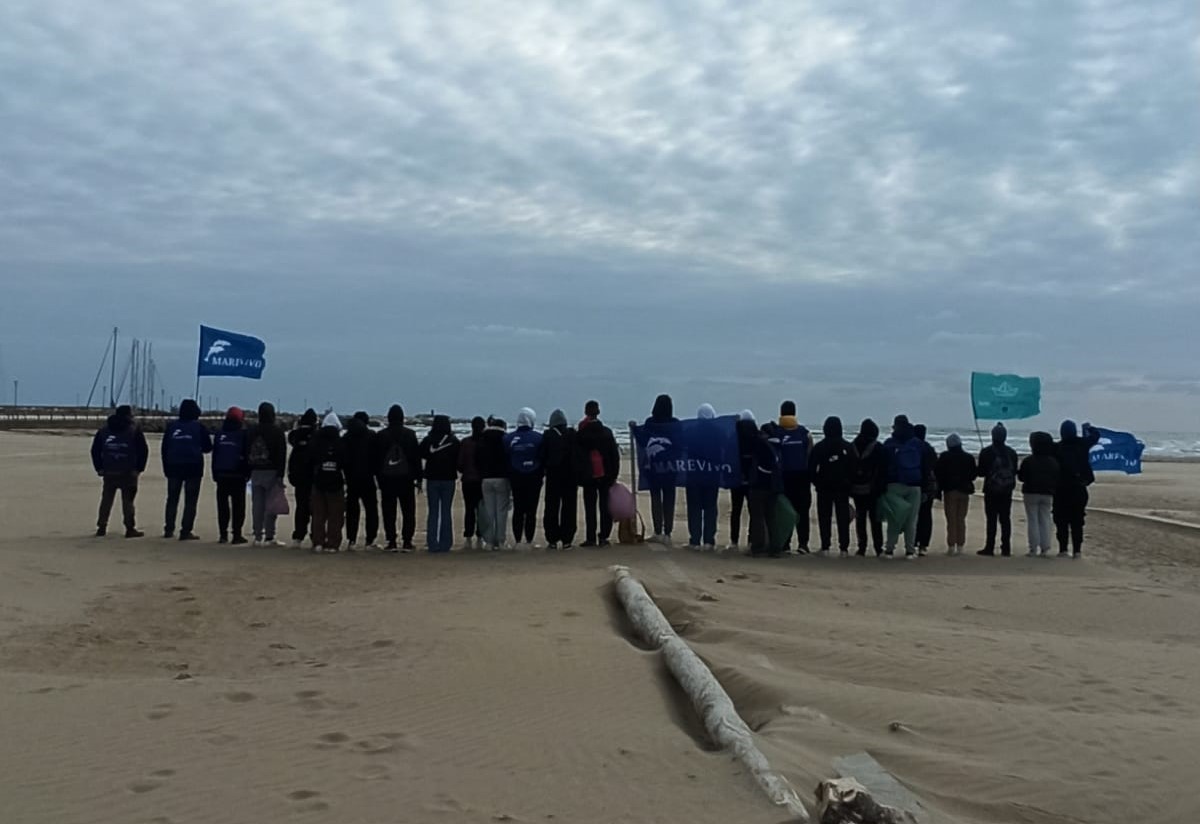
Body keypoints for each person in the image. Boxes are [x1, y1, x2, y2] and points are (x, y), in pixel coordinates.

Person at [90, 404, 148, 538]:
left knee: (106, 500)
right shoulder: (134, 430)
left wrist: (99, 467)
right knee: (128, 501)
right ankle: (130, 528)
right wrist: (139, 468)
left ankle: (102, 527)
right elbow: (143, 450)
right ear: (129, 415)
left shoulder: (104, 430)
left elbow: (95, 450)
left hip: (109, 470)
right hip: (128, 471)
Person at [764, 401, 814, 553]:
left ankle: (785, 543)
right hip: (802, 478)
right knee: (803, 511)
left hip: (783, 477)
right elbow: (810, 455)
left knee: (784, 511)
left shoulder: (775, 433)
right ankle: (803, 544)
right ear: (794, 413)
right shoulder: (805, 433)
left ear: (781, 413)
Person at [371, 404, 421, 552]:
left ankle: (391, 540)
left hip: (387, 479)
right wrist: (419, 478)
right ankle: (407, 541)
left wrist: (378, 478)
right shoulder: (410, 434)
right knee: (408, 511)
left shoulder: (381, 435)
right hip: (406, 478)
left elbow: (377, 460)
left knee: (388, 511)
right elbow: (415, 458)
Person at [161, 398, 213, 541]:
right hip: (193, 467)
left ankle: (169, 528)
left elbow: (164, 448)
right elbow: (208, 448)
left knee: (172, 498)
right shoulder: (199, 427)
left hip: (173, 466)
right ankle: (186, 530)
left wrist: (165, 467)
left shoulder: (172, 427)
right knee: (190, 500)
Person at [574, 400, 620, 547]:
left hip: (588, 475)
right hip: (605, 474)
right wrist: (614, 474)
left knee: (590, 507)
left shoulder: (581, 433)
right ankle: (604, 536)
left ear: (586, 412)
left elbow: (577, 457)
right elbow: (614, 455)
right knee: (605, 506)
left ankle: (590, 537)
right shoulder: (606, 432)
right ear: (598, 412)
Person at [881, 415, 926, 559]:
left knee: (894, 518)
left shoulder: (889, 443)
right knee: (912, 520)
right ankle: (910, 551)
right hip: (914, 485)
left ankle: (889, 550)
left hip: (894, 484)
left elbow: (882, 465)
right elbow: (927, 463)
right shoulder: (917, 443)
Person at [1055, 420, 1100, 558]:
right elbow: (1096, 436)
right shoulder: (1082, 444)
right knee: (1077, 521)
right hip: (1079, 487)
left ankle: (1063, 549)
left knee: (1061, 520)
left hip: (1061, 489)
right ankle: (1077, 551)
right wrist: (1089, 428)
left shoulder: (1057, 447)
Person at [809, 415, 854, 557]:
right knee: (843, 518)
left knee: (824, 517)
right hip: (843, 487)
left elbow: (811, 468)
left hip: (824, 487)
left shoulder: (820, 447)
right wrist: (849, 482)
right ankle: (844, 549)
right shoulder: (848, 446)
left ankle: (826, 547)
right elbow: (853, 468)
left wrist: (817, 482)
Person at [246, 401, 288, 546]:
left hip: (255, 470)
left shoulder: (252, 430)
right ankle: (269, 536)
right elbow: (282, 454)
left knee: (257, 504)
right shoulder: (277, 432)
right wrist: (281, 475)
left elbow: (246, 451)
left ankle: (258, 536)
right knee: (271, 505)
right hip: (272, 471)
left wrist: (247, 471)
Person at [504, 408, 545, 549]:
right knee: (531, 510)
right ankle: (529, 539)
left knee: (518, 509)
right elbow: (542, 458)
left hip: (516, 476)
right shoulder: (539, 438)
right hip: (534, 476)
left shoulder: (508, 438)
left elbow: (506, 457)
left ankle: (517, 541)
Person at [976, 423, 1019, 556]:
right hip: (1006, 490)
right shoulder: (1011, 453)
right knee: (1005, 519)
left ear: (992, 436)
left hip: (991, 489)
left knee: (992, 519)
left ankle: (990, 547)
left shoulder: (987, 452)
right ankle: (1006, 548)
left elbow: (981, 473)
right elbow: (1014, 472)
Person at [308, 412, 348, 552]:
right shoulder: (341, 442)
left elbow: (310, 460)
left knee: (318, 514)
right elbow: (345, 462)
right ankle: (332, 543)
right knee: (335, 514)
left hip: (319, 480)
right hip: (335, 481)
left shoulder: (315, 441)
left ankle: (318, 542)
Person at [420, 414, 460, 553]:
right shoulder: (454, 441)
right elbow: (458, 460)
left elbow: (422, 455)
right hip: (449, 478)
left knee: (433, 511)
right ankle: (446, 542)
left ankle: (432, 542)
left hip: (432, 478)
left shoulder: (428, 440)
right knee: (446, 510)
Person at [211, 406, 250, 545]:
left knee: (222, 506)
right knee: (238, 506)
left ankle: (223, 534)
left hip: (221, 474)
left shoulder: (219, 433)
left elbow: (215, 455)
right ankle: (237, 534)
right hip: (238, 475)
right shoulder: (243, 434)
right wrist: (247, 473)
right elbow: (246, 455)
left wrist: (214, 473)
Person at [643, 394, 678, 544]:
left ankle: (658, 531)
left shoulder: (650, 423)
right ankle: (667, 533)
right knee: (669, 499)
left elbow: (643, 440)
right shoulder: (675, 423)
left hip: (654, 467)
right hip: (671, 467)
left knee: (656, 498)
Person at [686, 404, 721, 550]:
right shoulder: (718, 432)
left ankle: (695, 540)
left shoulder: (691, 431)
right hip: (712, 475)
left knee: (694, 508)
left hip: (694, 475)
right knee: (710, 507)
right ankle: (708, 541)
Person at [1019, 431, 1060, 557]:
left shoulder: (1028, 461)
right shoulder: (1053, 462)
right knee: (1045, 519)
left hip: (1031, 492)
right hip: (1048, 493)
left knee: (1033, 520)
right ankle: (1045, 547)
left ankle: (1033, 548)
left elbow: (1021, 477)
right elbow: (1056, 477)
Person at [935, 433, 977, 556]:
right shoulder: (968, 457)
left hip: (950, 490)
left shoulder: (944, 456)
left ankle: (951, 546)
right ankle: (960, 546)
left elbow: (938, 473)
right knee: (961, 519)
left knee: (951, 519)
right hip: (964, 491)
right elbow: (973, 475)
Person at [849, 418, 886, 556]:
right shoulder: (878, 447)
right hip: (873, 489)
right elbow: (883, 469)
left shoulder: (852, 446)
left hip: (856, 488)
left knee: (860, 517)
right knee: (875, 519)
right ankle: (878, 547)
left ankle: (862, 547)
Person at [542, 409, 577, 550]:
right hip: (570, 475)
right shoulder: (572, 434)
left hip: (553, 475)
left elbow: (542, 455)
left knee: (551, 507)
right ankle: (567, 539)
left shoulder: (548, 435)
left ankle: (552, 539)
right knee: (569, 507)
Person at [343, 411, 379, 550]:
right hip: (367, 476)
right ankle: (370, 540)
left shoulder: (346, 437)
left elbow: (343, 457)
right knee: (371, 509)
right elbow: (376, 457)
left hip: (351, 477)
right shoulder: (371, 436)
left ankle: (351, 540)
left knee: (352, 509)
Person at [746, 420, 781, 557]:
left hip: (759, 484)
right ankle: (775, 547)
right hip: (774, 485)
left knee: (758, 517)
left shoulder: (760, 444)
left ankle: (758, 546)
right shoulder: (777, 444)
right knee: (771, 516)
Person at [477, 416, 512, 550]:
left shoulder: (482, 439)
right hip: (502, 477)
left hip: (486, 478)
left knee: (489, 511)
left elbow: (478, 458)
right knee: (501, 511)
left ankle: (489, 542)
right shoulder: (505, 440)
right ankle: (501, 541)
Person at [287, 409, 319, 546]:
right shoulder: (316, 435)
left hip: (299, 476)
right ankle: (315, 536)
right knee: (315, 508)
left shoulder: (296, 435)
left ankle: (298, 535)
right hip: (313, 476)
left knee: (301, 507)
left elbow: (291, 438)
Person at [729, 409, 759, 552]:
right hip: (752, 479)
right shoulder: (757, 437)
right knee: (753, 511)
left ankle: (734, 541)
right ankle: (751, 541)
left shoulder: (734, 437)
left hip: (736, 477)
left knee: (736, 510)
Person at [457, 416, 486, 549]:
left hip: (468, 480)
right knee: (481, 509)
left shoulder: (466, 442)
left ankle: (468, 536)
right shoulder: (485, 442)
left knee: (469, 509)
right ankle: (480, 535)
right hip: (482, 480)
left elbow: (460, 464)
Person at [913, 424, 939, 556]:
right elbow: (936, 468)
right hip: (929, 487)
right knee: (926, 515)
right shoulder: (929, 448)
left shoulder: (914, 447)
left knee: (914, 515)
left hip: (916, 484)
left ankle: (914, 541)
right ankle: (923, 544)